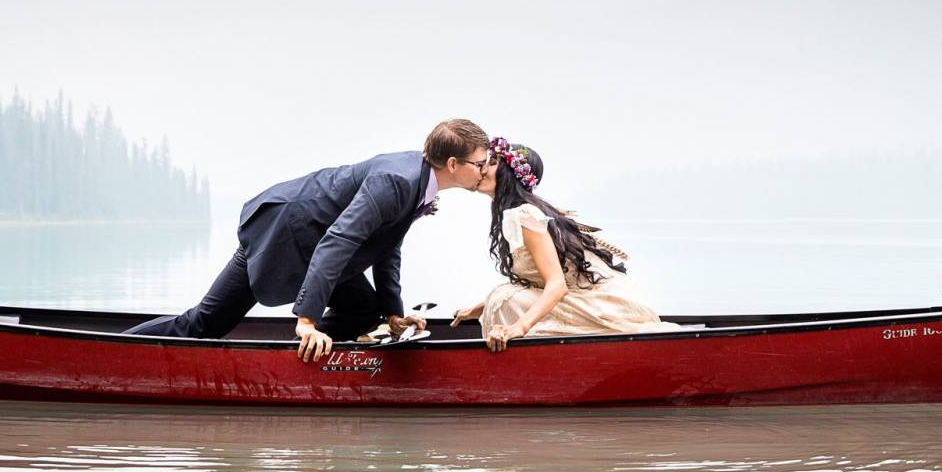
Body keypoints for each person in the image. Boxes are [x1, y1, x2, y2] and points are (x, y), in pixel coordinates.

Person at [127, 119, 493, 362]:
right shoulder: (396, 181)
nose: (484, 170)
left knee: (365, 311)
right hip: (285, 231)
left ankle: (294, 360)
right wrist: (306, 320)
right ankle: (121, 352)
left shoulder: (418, 182)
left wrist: (393, 312)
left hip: (314, 241)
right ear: (452, 164)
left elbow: (387, 247)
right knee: (205, 324)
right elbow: (340, 240)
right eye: (480, 163)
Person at [453, 137, 678, 352]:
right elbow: (535, 281)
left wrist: (517, 328)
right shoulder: (510, 213)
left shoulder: (524, 215)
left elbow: (556, 285)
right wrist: (477, 310)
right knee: (500, 296)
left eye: (492, 163)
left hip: (594, 305)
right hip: (574, 298)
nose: (482, 169)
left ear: (510, 174)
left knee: (504, 300)